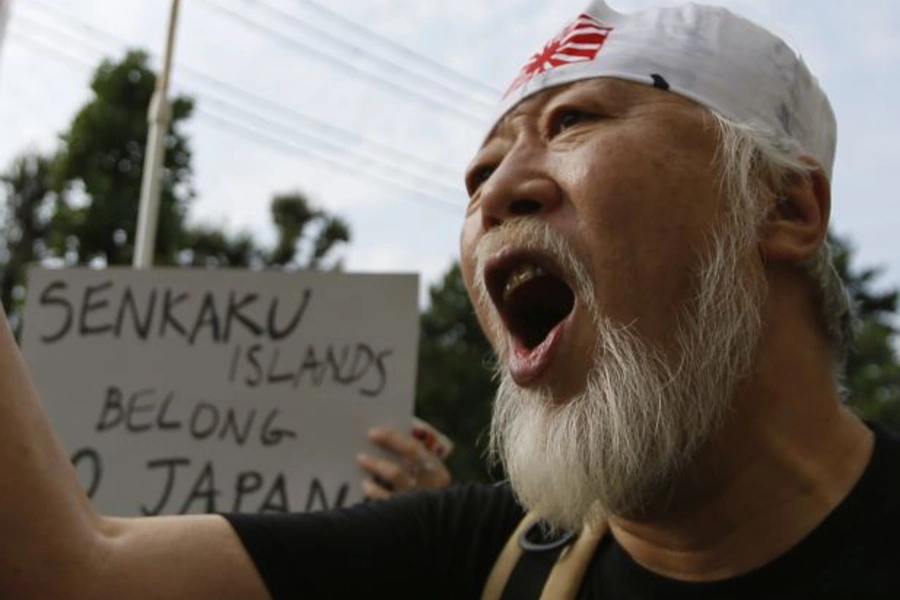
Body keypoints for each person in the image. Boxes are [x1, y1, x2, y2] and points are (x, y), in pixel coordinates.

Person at [2, 1, 899, 598]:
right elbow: (65, 572)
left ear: (783, 205)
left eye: (574, 121)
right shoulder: (479, 560)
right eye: (479, 170)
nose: (495, 191)